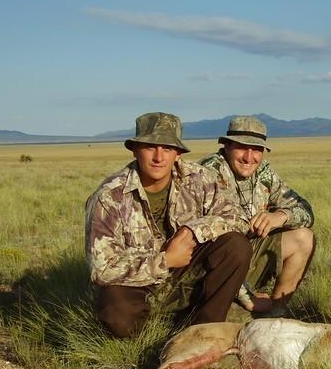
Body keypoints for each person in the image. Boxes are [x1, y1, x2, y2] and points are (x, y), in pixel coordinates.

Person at [85, 112, 252, 338]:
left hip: (185, 274)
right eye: (150, 147)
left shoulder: (200, 178)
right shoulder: (109, 196)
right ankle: (149, 332)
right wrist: (165, 260)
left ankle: (203, 330)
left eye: (167, 148)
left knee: (235, 245)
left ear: (178, 154)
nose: (158, 157)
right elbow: (102, 269)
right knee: (118, 316)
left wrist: (195, 230)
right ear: (134, 150)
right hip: (138, 285)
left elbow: (238, 218)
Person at [199, 116, 314, 315]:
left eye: (257, 149)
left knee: (303, 237)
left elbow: (306, 211)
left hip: (248, 258)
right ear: (226, 146)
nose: (249, 157)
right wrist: (247, 296)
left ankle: (277, 312)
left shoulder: (263, 173)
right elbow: (210, 250)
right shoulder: (208, 173)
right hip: (214, 269)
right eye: (242, 147)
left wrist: (280, 216)